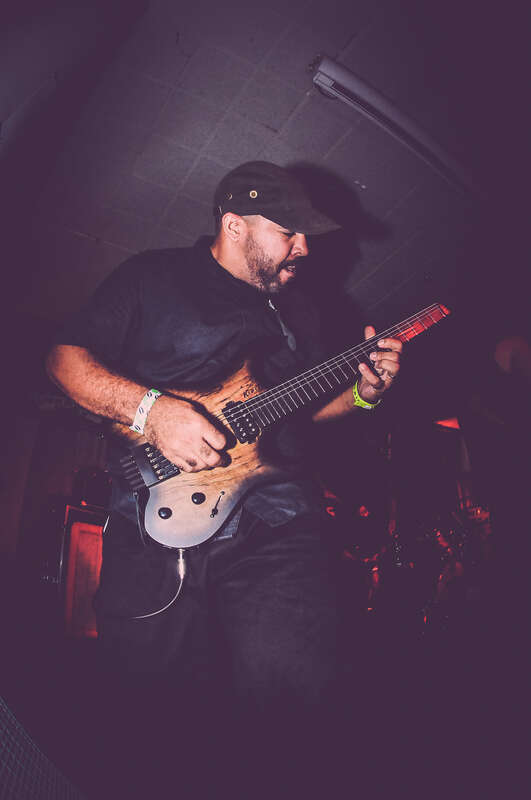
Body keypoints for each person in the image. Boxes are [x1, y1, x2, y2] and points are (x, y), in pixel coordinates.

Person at [46, 161, 402, 795]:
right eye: (289, 230)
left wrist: (366, 395)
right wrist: (152, 413)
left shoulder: (305, 314)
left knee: (294, 709)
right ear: (234, 224)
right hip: (157, 517)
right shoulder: (152, 276)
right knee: (150, 723)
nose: (304, 247)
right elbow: (64, 360)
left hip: (278, 522)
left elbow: (310, 412)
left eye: (307, 236)